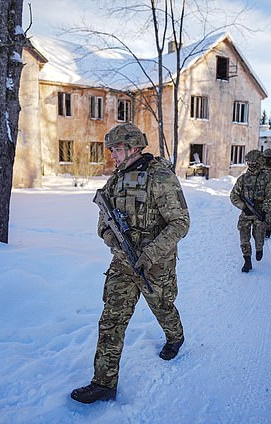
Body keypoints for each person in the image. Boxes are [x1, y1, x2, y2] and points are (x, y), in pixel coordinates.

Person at [71, 123, 190, 404]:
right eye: (111, 150)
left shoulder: (160, 177)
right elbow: (103, 223)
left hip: (156, 265)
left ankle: (175, 338)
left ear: (134, 147)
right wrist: (113, 239)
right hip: (123, 265)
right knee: (111, 321)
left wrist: (148, 254)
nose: (113, 155)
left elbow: (180, 223)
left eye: (117, 149)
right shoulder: (115, 180)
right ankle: (103, 383)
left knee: (163, 307)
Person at [230, 150, 271, 273]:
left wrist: (265, 210)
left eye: (254, 163)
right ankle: (247, 260)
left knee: (259, 236)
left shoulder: (266, 178)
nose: (251, 165)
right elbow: (233, 195)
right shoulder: (243, 179)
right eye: (249, 163)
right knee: (244, 238)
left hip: (259, 213)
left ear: (260, 163)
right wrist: (243, 207)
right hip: (246, 213)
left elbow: (270, 196)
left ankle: (259, 248)